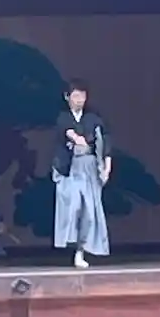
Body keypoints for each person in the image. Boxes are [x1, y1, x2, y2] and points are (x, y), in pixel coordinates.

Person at [52, 79, 111, 269]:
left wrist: (106, 168)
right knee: (74, 207)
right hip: (70, 169)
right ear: (67, 97)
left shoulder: (93, 119)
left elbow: (104, 144)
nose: (79, 100)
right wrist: (78, 139)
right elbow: (69, 132)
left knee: (89, 213)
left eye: (83, 96)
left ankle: (80, 251)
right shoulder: (63, 117)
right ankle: (71, 244)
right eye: (76, 96)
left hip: (89, 168)